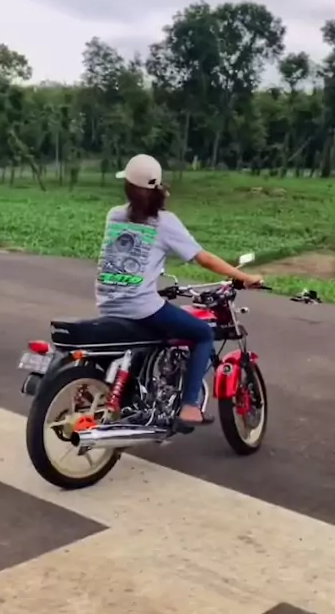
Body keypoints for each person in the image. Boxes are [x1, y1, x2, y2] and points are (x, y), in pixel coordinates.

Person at [95, 154, 262, 427]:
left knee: (153, 337)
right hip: (140, 306)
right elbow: (203, 258)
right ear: (158, 188)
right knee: (202, 333)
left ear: (128, 187)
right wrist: (245, 277)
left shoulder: (114, 215)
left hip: (107, 301)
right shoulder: (164, 222)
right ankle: (189, 407)